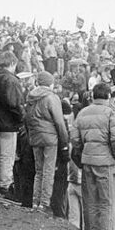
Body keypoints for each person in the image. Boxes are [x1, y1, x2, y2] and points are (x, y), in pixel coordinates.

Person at [70, 82, 115, 230]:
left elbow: (75, 140)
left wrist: (82, 155)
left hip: (87, 162)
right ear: (108, 96)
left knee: (90, 203)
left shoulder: (82, 113)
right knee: (105, 204)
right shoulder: (111, 114)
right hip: (105, 163)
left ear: (93, 96)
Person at [25, 71, 69, 212]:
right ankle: (44, 203)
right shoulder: (52, 97)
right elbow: (59, 122)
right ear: (50, 83)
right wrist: (64, 142)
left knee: (39, 171)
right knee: (48, 171)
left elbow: (26, 119)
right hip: (50, 138)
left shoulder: (30, 97)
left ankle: (35, 202)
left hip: (35, 137)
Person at [0, 51, 24, 201]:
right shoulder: (11, 80)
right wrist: (21, 118)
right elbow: (14, 103)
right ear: (12, 63)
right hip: (8, 124)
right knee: (6, 157)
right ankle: (4, 186)